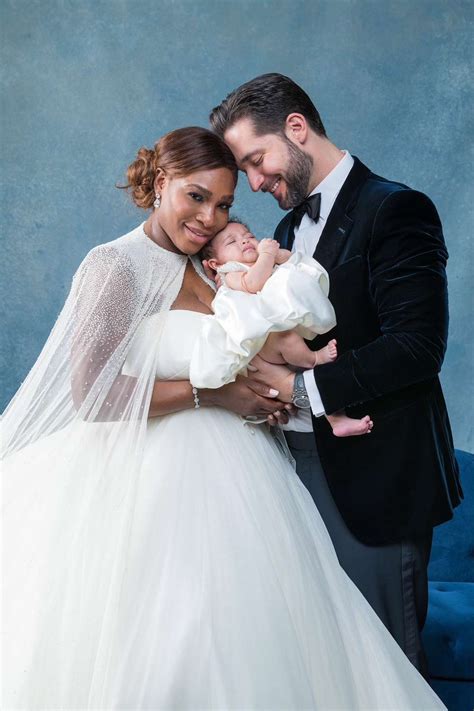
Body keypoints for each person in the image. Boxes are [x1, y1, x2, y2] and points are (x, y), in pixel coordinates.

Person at [2, 126, 444, 709]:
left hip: (244, 474)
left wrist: (282, 387)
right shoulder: (114, 267)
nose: (210, 217)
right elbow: (93, 394)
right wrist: (214, 396)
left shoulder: (215, 268)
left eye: (225, 203)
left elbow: (253, 345)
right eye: (196, 196)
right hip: (145, 483)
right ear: (161, 184)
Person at [210, 73, 463, 675]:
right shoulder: (286, 232)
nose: (253, 182)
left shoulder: (396, 208)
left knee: (385, 668)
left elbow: (417, 346)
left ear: (296, 129)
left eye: (257, 160)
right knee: (322, 665)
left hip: (376, 480)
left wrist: (301, 388)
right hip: (292, 477)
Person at [199, 219, 373, 437]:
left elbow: (297, 265)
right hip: (261, 344)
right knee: (286, 345)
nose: (244, 240)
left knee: (314, 378)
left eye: (248, 234)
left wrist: (279, 255)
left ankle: (336, 419)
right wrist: (267, 256)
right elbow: (252, 284)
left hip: (284, 341)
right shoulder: (231, 272)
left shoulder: (267, 261)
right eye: (232, 241)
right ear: (215, 264)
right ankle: (314, 358)